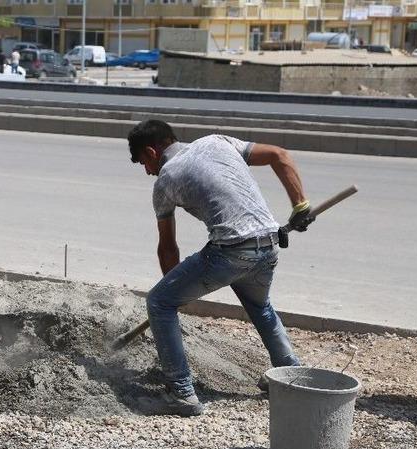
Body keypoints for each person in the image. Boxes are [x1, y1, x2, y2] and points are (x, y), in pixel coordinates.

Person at [128, 120, 312, 416]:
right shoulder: (218, 141)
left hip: (231, 252)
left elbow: (168, 247)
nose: (147, 171)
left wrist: (174, 293)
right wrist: (300, 204)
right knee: (259, 305)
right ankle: (290, 375)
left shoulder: (165, 179)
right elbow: (280, 155)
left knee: (159, 302)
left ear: (151, 151)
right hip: (268, 245)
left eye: (143, 163)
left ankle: (181, 393)